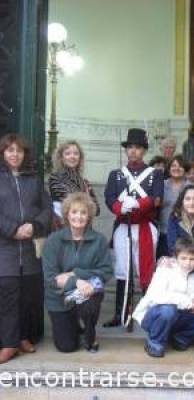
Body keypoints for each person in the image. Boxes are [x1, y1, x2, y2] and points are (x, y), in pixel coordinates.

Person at [103, 128, 164, 328]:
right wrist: (121, 208)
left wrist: (138, 205)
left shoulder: (154, 174)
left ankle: (147, 313)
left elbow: (157, 198)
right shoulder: (116, 175)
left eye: (138, 148)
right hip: (123, 225)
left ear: (143, 150)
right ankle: (121, 313)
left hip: (146, 226)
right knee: (123, 270)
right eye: (130, 147)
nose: (134, 151)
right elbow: (109, 198)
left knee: (147, 269)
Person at [0, 134, 51, 363]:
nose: (14, 154)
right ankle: (9, 344)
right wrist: (13, 230)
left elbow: (47, 209)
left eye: (18, 151)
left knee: (28, 296)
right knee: (8, 294)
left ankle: (23, 338)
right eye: (10, 150)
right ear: (3, 153)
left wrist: (35, 225)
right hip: (5, 247)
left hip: (31, 249)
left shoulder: (34, 179)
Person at [43, 192, 112, 353]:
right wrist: (77, 281)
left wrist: (75, 274)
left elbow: (106, 271)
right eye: (74, 212)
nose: (78, 217)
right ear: (67, 215)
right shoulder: (54, 240)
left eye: (83, 212)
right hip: (59, 297)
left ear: (89, 216)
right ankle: (74, 326)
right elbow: (50, 278)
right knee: (66, 347)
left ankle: (89, 333)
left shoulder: (99, 240)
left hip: (87, 293)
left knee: (89, 302)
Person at [133, 238, 194, 357]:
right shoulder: (165, 270)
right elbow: (157, 296)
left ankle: (181, 339)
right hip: (154, 316)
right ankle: (155, 343)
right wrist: (187, 302)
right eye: (184, 258)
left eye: (192, 259)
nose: (188, 263)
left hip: (178, 316)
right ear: (176, 257)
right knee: (168, 310)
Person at [48, 140, 100, 228]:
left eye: (76, 153)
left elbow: (97, 210)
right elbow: (70, 203)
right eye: (68, 153)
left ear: (80, 158)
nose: (72, 156)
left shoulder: (85, 182)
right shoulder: (55, 178)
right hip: (64, 228)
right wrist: (87, 201)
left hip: (85, 229)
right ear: (61, 158)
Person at [158, 155, 188, 258]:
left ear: (185, 169)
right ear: (169, 168)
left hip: (184, 232)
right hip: (163, 230)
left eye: (180, 166)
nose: (176, 168)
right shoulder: (161, 185)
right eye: (173, 166)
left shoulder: (190, 186)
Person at [166, 185, 194, 256]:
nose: (191, 203)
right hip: (181, 260)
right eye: (187, 199)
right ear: (182, 201)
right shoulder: (174, 218)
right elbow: (172, 247)